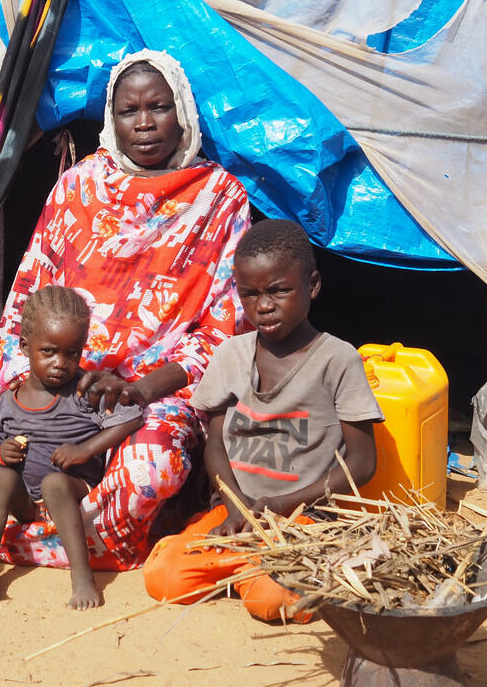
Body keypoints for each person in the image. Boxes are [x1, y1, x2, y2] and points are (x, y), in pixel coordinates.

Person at [0, 48, 251, 571]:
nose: (144, 124)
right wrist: (37, 382)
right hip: (63, 378)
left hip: (155, 389)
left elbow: (225, 331)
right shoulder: (78, 187)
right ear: (110, 119)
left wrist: (142, 388)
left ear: (182, 113)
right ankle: (85, 537)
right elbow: (30, 292)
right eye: (128, 110)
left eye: (158, 107)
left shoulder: (219, 197)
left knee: (151, 463)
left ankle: (82, 536)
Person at [142, 219, 383, 621]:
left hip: (303, 516)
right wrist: (237, 509)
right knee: (164, 579)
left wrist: (281, 504)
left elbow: (363, 462)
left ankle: (258, 572)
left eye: (279, 290)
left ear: (314, 285)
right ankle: (249, 566)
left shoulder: (338, 360)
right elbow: (216, 445)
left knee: (273, 601)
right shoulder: (231, 355)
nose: (264, 306)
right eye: (250, 294)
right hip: (236, 512)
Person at [0, 287, 142, 609]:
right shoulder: (9, 400)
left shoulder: (85, 392)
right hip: (26, 502)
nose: (60, 364)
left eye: (72, 354)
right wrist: (0, 453)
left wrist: (86, 450)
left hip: (73, 489)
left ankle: (82, 578)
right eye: (49, 351)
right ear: (25, 346)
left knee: (54, 484)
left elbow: (131, 417)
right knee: (0, 478)